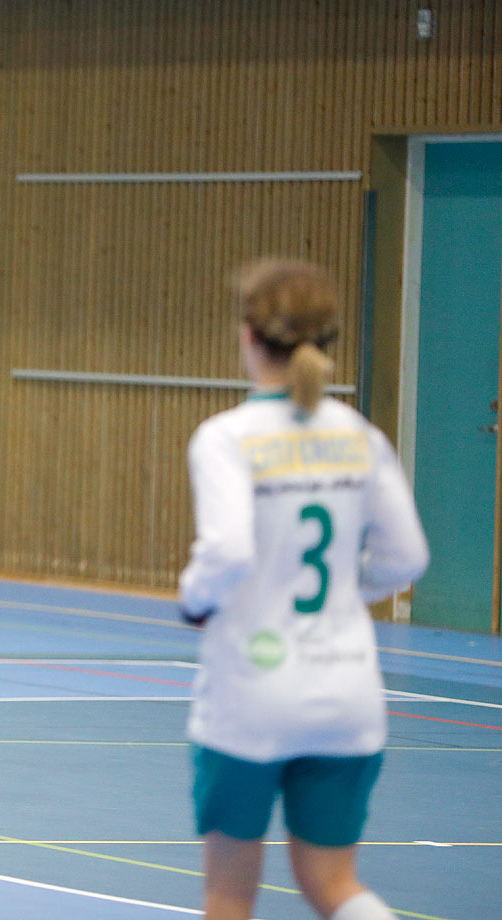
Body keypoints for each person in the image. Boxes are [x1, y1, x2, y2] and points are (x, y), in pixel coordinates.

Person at [178, 261, 429, 920]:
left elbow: (228, 551)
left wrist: (196, 599)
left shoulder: (228, 438)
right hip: (346, 691)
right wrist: (350, 586)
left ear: (249, 336)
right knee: (335, 886)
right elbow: (407, 557)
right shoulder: (359, 436)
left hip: (252, 696)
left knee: (230, 895)